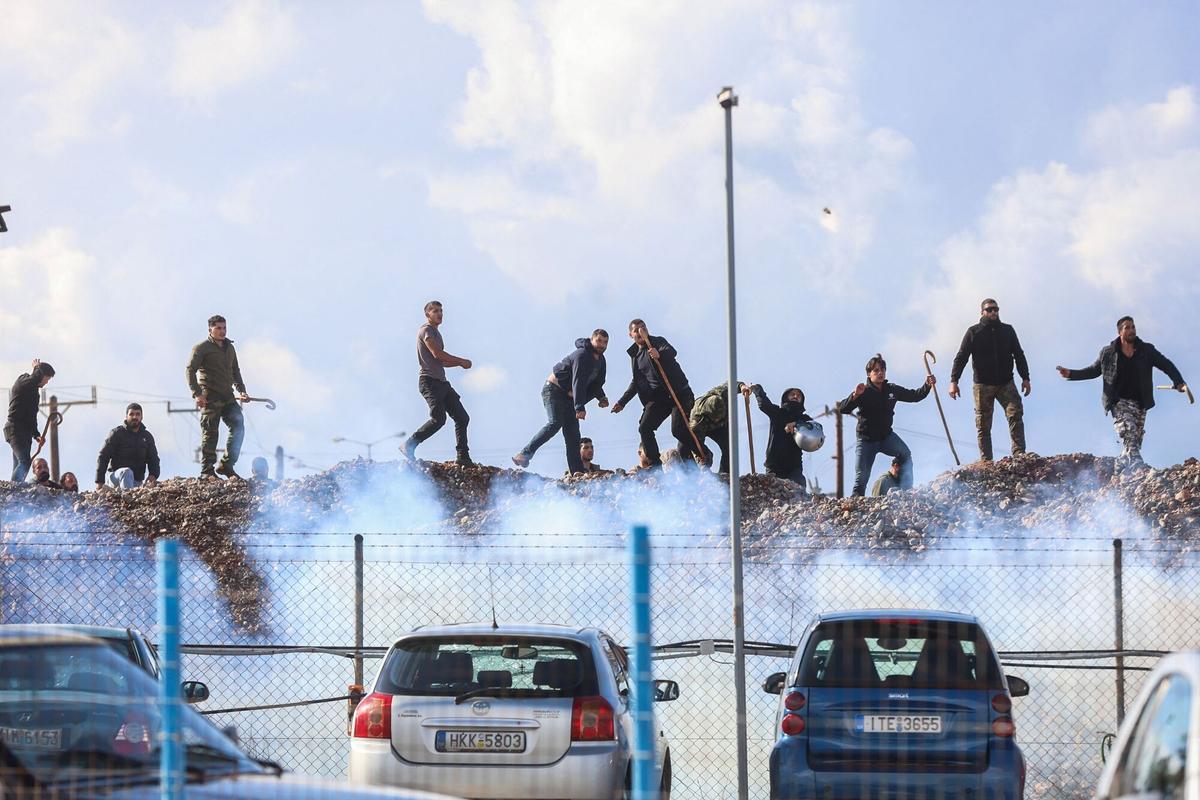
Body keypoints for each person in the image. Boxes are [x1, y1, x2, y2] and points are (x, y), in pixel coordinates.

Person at [1056, 316, 1188, 469]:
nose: (1132, 330)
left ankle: (1121, 466)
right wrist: (1071, 374)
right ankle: (1138, 467)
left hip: (1140, 402)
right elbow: (1093, 371)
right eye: (1127, 328)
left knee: (1135, 440)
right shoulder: (1108, 352)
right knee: (1129, 432)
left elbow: (1166, 364)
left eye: (1133, 327)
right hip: (1118, 401)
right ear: (1120, 332)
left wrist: (1178, 381)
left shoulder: (1147, 350)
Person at [838, 354, 935, 497]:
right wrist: (855, 395)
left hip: (886, 437)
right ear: (869, 374)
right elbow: (843, 408)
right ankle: (855, 504)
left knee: (905, 454)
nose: (880, 373)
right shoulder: (863, 391)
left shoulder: (892, 390)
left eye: (882, 370)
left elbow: (914, 396)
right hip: (866, 441)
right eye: (876, 370)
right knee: (861, 477)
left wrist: (927, 385)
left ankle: (907, 491)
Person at [513, 331, 610, 473]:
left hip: (570, 397)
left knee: (573, 435)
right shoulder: (582, 355)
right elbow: (578, 380)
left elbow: (596, 382)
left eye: (605, 342)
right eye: (599, 341)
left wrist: (601, 397)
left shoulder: (601, 361)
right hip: (554, 390)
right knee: (555, 423)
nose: (602, 345)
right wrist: (579, 407)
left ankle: (577, 472)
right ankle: (524, 454)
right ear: (592, 340)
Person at [949, 298, 1032, 461]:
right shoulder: (973, 332)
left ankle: (1019, 453)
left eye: (996, 309)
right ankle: (986, 460)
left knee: (1015, 414)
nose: (993, 312)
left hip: (1006, 383)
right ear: (982, 312)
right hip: (982, 385)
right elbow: (961, 357)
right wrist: (954, 381)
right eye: (989, 309)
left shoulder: (1008, 330)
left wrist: (1025, 377)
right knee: (983, 424)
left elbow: (1019, 354)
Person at [612, 320, 696, 468]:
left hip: (678, 393)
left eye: (643, 328)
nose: (641, 331)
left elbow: (671, 352)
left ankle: (703, 454)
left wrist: (659, 354)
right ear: (631, 335)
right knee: (644, 427)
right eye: (637, 330)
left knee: (678, 430)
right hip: (659, 399)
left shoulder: (657, 342)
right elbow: (636, 383)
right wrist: (622, 402)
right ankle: (656, 466)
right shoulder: (635, 356)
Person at [402, 301, 474, 466]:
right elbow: (437, 354)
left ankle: (463, 457)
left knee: (462, 417)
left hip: (441, 382)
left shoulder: (436, 333)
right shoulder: (426, 330)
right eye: (435, 311)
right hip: (429, 382)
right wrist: (461, 360)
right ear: (427, 314)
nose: (439, 313)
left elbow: (442, 361)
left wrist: (458, 364)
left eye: (441, 310)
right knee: (438, 419)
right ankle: (409, 444)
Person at [186, 315, 249, 480]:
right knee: (210, 432)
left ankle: (227, 465)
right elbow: (190, 370)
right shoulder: (202, 348)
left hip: (228, 396)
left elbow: (236, 371)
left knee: (238, 426)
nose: (222, 331)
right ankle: (207, 471)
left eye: (224, 328)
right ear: (210, 329)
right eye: (218, 328)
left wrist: (242, 391)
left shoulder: (230, 348)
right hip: (210, 396)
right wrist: (197, 394)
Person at [744, 383, 812, 486]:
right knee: (773, 492)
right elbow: (764, 404)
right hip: (774, 465)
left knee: (798, 490)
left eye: (798, 396)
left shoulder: (804, 419)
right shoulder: (778, 413)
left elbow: (814, 427)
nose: (795, 396)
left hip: (794, 466)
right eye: (792, 394)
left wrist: (796, 424)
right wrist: (757, 389)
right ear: (785, 398)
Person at [5, 359, 55, 482]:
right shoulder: (24, 382)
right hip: (15, 429)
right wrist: (38, 368)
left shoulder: (33, 392)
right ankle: (14, 491)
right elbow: (33, 379)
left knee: (19, 465)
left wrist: (36, 435)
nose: (47, 382)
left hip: (24, 431)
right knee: (25, 462)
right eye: (47, 378)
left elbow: (31, 416)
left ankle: (14, 490)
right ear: (42, 375)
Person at [95, 403, 160, 490]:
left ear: (141, 417)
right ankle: (127, 498)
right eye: (131, 414)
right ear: (126, 416)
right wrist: (100, 481)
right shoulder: (117, 433)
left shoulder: (147, 437)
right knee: (126, 472)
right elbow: (103, 456)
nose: (134, 417)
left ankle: (131, 494)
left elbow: (153, 459)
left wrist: (153, 475)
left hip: (136, 482)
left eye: (137, 414)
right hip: (116, 478)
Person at [689, 382, 747, 475]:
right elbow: (696, 443)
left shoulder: (722, 393)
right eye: (715, 418)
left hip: (721, 426)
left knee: (730, 447)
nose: (717, 419)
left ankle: (725, 474)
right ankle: (699, 471)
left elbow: (731, 384)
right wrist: (701, 459)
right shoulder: (697, 421)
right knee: (700, 454)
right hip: (705, 426)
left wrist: (742, 387)